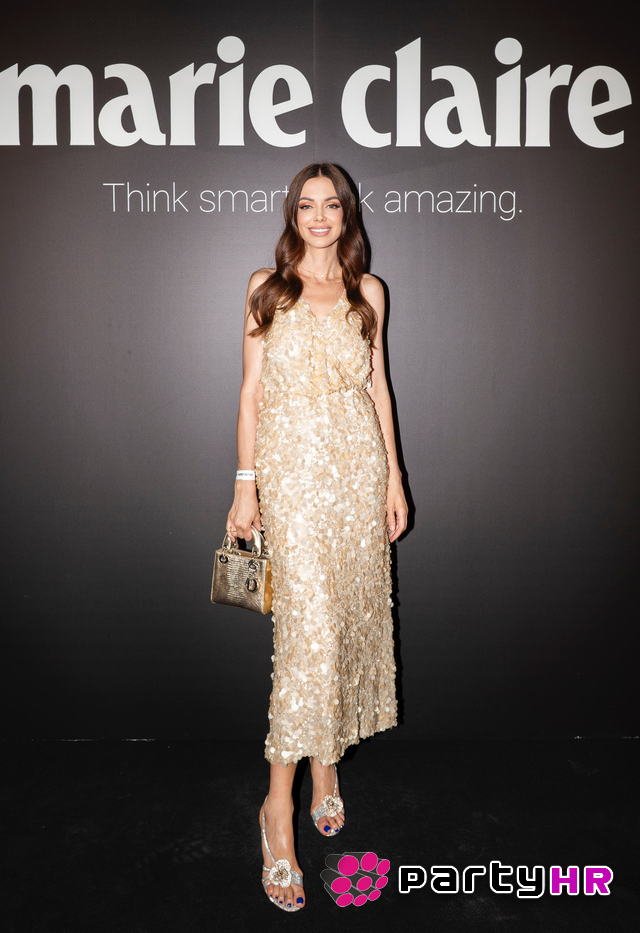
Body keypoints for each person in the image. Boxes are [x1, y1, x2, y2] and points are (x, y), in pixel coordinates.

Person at [226, 162, 408, 912]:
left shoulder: (370, 292)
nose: (320, 216)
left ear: (347, 215)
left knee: (346, 621)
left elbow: (377, 387)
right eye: (307, 205)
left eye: (332, 205)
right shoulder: (265, 287)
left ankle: (326, 761)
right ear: (292, 215)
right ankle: (278, 809)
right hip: (293, 477)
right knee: (307, 636)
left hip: (357, 471)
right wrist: (245, 485)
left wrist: (393, 479)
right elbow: (250, 392)